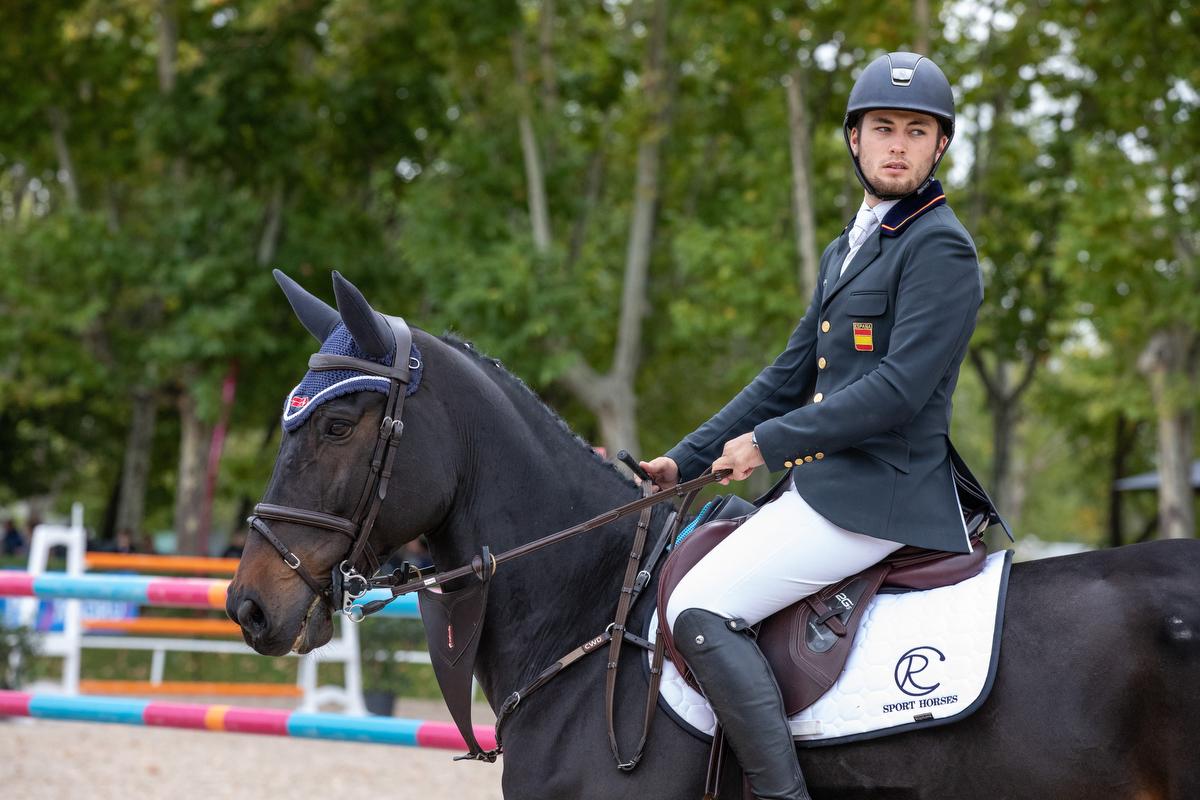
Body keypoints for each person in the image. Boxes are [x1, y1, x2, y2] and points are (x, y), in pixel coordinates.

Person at [641, 52, 1007, 799]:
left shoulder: (941, 246)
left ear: (940, 147)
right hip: (828, 488)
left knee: (697, 607)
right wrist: (687, 458)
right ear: (855, 140)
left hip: (883, 495)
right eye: (883, 128)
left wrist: (771, 443)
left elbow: (899, 392)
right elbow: (787, 373)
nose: (897, 144)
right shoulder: (851, 246)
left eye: (915, 131)